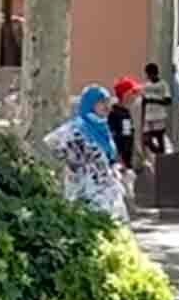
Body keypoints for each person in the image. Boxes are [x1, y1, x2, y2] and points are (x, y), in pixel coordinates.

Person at [43, 84, 129, 222]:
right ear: (90, 104)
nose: (106, 107)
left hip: (107, 193)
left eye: (108, 102)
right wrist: (75, 164)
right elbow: (53, 144)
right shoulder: (75, 128)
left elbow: (109, 156)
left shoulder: (103, 128)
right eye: (101, 103)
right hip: (84, 193)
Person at [109, 75, 141, 170]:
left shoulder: (126, 113)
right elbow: (115, 138)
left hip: (127, 163)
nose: (136, 96)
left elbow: (127, 136)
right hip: (119, 165)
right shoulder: (115, 115)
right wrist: (119, 160)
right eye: (133, 93)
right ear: (125, 95)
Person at [139, 62, 170, 157]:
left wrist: (154, 100)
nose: (148, 76)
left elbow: (168, 101)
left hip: (159, 116)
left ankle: (161, 156)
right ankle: (158, 153)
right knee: (146, 140)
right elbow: (143, 101)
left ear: (154, 73)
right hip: (148, 117)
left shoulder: (163, 85)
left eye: (149, 74)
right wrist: (142, 115)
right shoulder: (146, 85)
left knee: (159, 138)